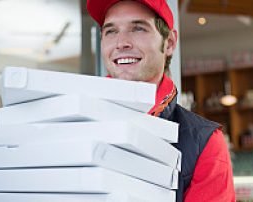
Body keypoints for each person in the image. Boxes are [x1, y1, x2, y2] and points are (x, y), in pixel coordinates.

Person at [87, 0, 235, 201]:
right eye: (111, 31)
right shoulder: (70, 119)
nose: (121, 43)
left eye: (138, 28)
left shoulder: (205, 143)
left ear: (170, 43)